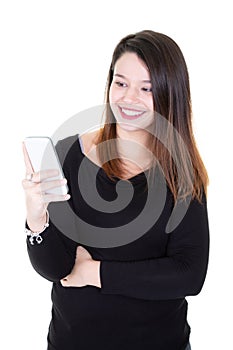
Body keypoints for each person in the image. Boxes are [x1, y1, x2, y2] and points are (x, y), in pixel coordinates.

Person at [22, 30, 209, 350]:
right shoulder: (71, 154)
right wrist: (37, 219)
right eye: (120, 83)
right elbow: (56, 269)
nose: (128, 98)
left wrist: (97, 273)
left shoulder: (181, 172)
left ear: (168, 94)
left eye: (146, 88)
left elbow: (189, 275)